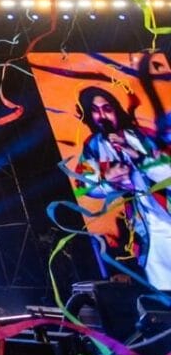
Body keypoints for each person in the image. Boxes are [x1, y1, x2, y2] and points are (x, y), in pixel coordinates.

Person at [73, 85, 171, 290]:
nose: (102, 116)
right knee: (163, 288)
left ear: (116, 110)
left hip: (166, 212)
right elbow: (84, 187)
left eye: (107, 109)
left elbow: (167, 173)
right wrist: (107, 180)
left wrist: (133, 152)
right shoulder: (93, 146)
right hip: (149, 231)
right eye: (95, 110)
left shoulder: (141, 137)